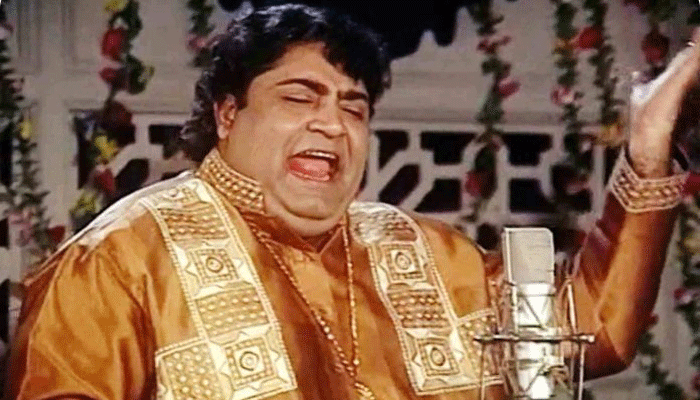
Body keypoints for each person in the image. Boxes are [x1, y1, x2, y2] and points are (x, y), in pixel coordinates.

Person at [4, 4, 698, 399]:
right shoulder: (121, 258)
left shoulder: (423, 253)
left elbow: (588, 333)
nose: (331, 125)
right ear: (227, 113)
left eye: (353, 107)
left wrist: (647, 150)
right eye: (299, 97)